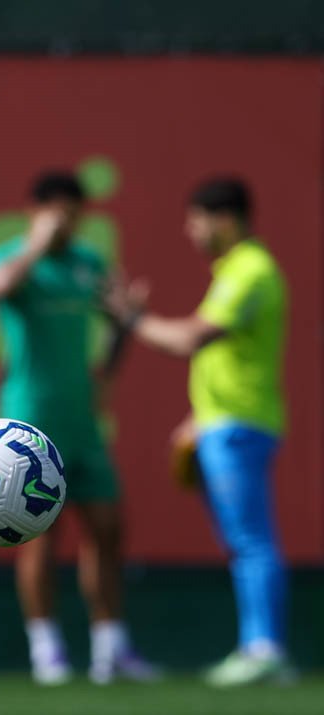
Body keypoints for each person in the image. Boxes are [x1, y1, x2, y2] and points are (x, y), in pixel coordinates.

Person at [106, 177, 293, 687]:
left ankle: (265, 647)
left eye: (196, 220)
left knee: (252, 541)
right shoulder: (236, 269)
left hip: (239, 426)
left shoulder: (251, 270)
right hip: (223, 423)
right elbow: (229, 359)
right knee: (243, 542)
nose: (190, 231)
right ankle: (261, 646)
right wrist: (197, 419)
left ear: (225, 219)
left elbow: (192, 338)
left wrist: (133, 320)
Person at [0, 171, 157, 685]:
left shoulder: (90, 264)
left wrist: (125, 329)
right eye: (58, 211)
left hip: (82, 420)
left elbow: (117, 324)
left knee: (107, 529)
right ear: (34, 211)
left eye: (75, 213)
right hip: (30, 424)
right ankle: (47, 649)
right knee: (39, 536)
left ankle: (110, 649)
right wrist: (36, 244)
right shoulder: (11, 260)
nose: (68, 222)